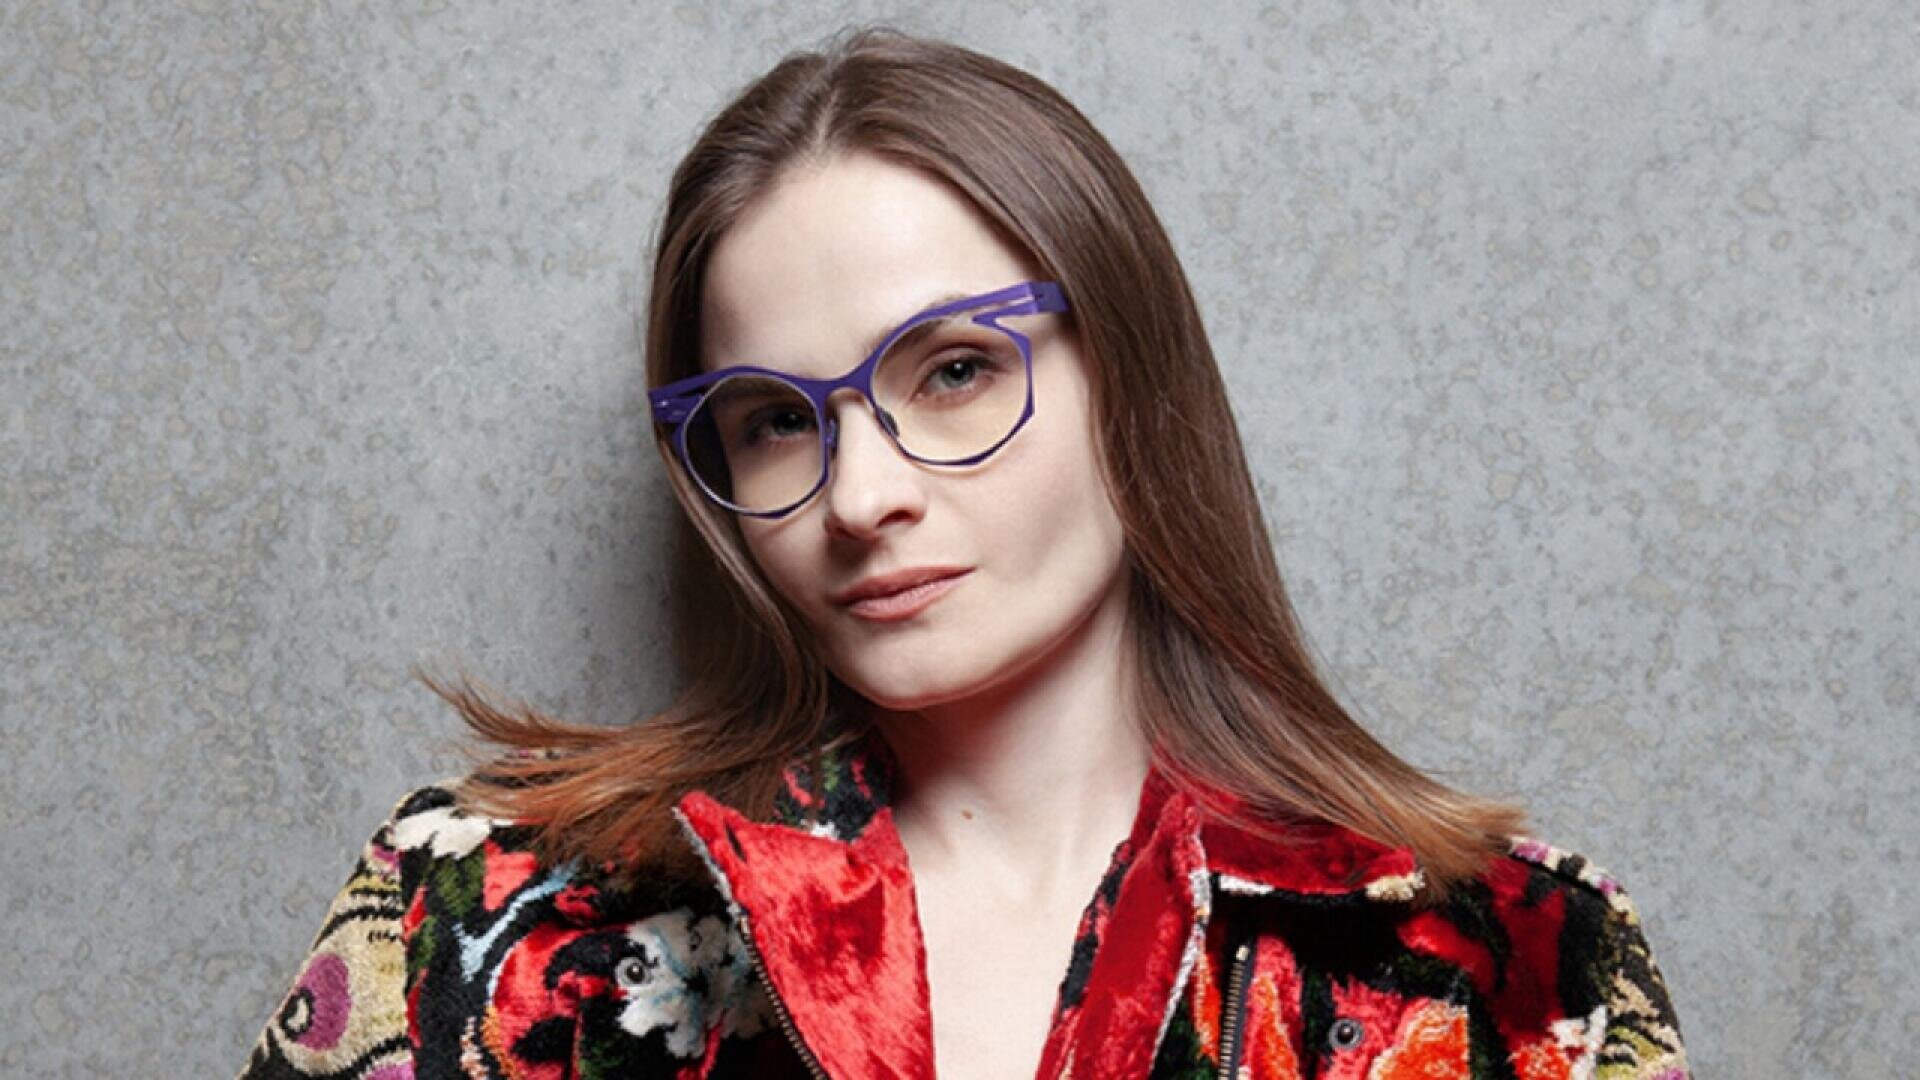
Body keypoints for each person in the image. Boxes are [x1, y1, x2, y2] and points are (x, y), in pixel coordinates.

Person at [239, 26, 1689, 1080]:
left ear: (1134, 373)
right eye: (772, 422)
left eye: (950, 373)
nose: (860, 497)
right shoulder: (488, 910)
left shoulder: (1510, 959)